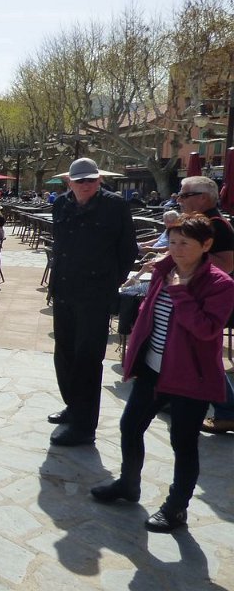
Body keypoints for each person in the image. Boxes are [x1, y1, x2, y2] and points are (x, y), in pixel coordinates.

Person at [90, 214, 234, 532]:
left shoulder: (220, 284)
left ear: (206, 245)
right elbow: (148, 315)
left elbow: (207, 329)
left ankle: (176, 508)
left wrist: (181, 293)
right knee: (130, 426)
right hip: (153, 371)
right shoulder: (164, 270)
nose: (176, 249)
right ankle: (128, 484)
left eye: (185, 243)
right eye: (173, 242)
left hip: (190, 378)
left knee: (183, 443)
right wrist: (135, 356)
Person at [48, 158, 137, 446]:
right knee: (64, 353)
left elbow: (128, 250)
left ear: (99, 180)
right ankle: (74, 406)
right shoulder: (61, 205)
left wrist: (109, 282)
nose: (85, 185)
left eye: (91, 180)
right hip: (64, 290)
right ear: (69, 182)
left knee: (88, 358)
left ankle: (84, 426)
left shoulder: (115, 206)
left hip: (95, 294)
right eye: (80, 180)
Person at [176, 176, 234, 434]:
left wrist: (187, 255)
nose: (179, 199)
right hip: (194, 296)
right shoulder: (200, 223)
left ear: (203, 197)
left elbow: (227, 265)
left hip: (206, 301)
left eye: (185, 195)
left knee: (205, 357)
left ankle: (228, 410)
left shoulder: (217, 225)